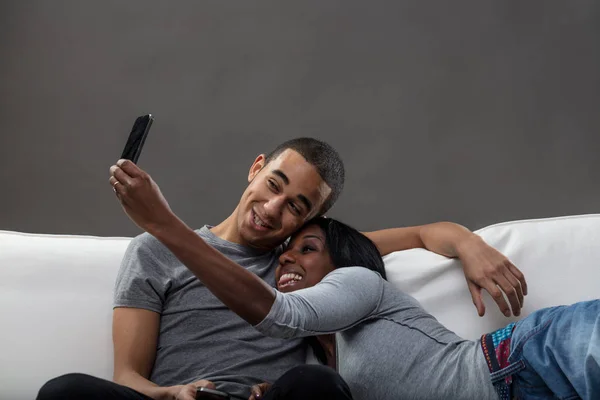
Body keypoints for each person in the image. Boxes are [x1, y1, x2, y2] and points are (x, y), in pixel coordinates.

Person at [38, 138, 526, 400]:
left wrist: (466, 241)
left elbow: (422, 233)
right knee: (64, 393)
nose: (272, 209)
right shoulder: (154, 250)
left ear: (309, 220)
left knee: (318, 387)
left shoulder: (297, 264)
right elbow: (127, 375)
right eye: (272, 184)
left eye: (295, 206)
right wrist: (170, 395)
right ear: (255, 169)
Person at [173, 216, 600, 400]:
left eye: (308, 249)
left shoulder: (358, 282)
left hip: (527, 359)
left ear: (339, 259)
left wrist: (166, 228)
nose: (287, 258)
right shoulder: (322, 358)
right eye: (285, 253)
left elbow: (282, 314)